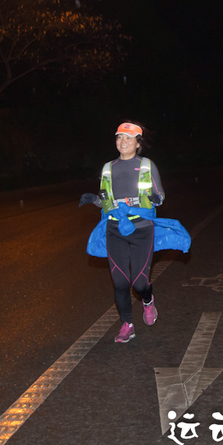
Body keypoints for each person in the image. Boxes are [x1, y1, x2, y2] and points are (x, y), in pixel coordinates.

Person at [80, 122, 165, 344]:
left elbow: (160, 196)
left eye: (128, 138)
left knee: (139, 283)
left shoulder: (147, 166)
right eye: (119, 137)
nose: (123, 142)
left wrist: (155, 199)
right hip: (115, 229)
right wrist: (94, 199)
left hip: (142, 229)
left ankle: (147, 299)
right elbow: (106, 200)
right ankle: (127, 325)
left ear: (138, 143)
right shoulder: (108, 168)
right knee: (120, 282)